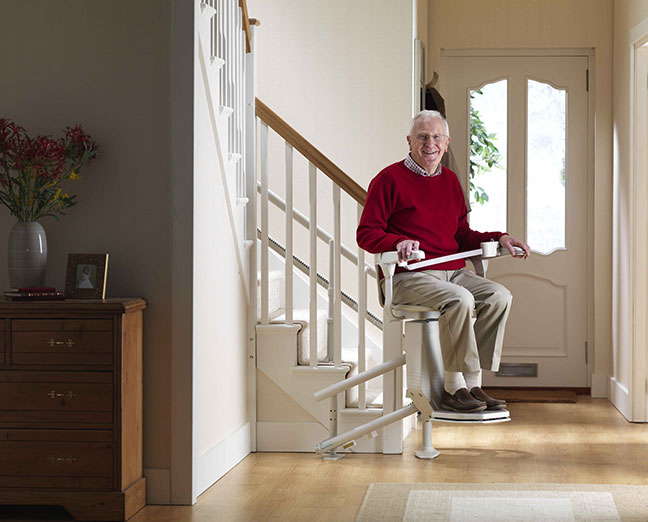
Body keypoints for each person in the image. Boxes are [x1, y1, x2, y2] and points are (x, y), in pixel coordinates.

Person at [357, 110, 530, 413]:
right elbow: (366, 233)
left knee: (499, 295)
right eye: (422, 136)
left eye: (437, 137)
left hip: (452, 272)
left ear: (447, 143)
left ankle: (473, 383)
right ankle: (454, 387)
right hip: (409, 277)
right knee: (460, 299)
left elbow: (461, 234)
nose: (430, 143)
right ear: (409, 141)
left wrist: (500, 237)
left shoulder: (450, 181)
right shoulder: (388, 180)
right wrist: (397, 242)